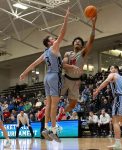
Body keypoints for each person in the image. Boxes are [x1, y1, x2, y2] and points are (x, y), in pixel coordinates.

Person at [19, 8, 70, 142]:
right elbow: (62, 33)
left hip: (46, 77)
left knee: (48, 105)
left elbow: (33, 64)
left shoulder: (45, 53)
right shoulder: (54, 48)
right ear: (49, 42)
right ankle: (53, 130)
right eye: (52, 39)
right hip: (55, 76)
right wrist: (65, 20)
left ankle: (46, 128)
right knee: (54, 105)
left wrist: (24, 73)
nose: (55, 39)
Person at [93, 65, 122, 149]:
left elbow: (106, 81)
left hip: (119, 98)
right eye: (110, 69)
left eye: (111, 69)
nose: (110, 71)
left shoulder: (113, 74)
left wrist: (97, 90)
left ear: (115, 69)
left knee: (115, 121)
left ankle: (118, 144)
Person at [61, 15, 97, 114]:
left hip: (76, 81)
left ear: (82, 46)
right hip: (66, 78)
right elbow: (63, 65)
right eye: (76, 41)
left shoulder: (83, 53)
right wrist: (72, 66)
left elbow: (91, 40)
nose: (77, 42)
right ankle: (47, 112)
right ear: (73, 44)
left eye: (79, 42)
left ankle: (62, 113)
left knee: (74, 103)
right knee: (54, 97)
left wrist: (93, 25)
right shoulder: (68, 53)